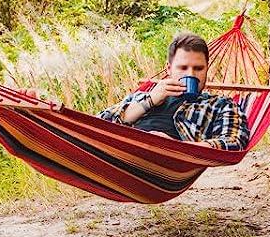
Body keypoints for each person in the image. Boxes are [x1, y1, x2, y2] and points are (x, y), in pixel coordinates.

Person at [99, 32, 249, 151]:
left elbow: (234, 142)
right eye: (183, 68)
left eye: (198, 68)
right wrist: (149, 101)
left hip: (171, 160)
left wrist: (174, 147)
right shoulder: (143, 97)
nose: (191, 74)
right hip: (124, 152)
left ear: (206, 69)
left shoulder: (220, 105)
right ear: (169, 69)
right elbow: (98, 126)